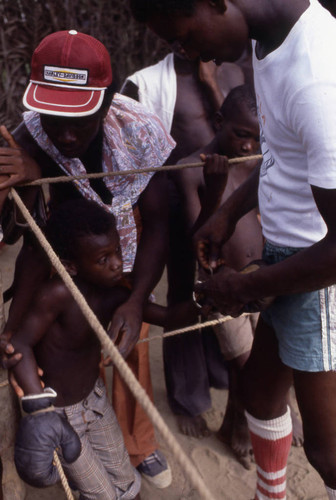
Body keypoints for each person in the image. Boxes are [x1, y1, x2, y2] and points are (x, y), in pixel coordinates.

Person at [129, 0, 336, 498]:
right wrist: (227, 213)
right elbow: (281, 161)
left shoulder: (316, 79)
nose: (185, 51)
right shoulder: (268, 43)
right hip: (285, 255)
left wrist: (245, 286)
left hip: (318, 273)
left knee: (329, 453)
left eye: (181, 35)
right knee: (262, 396)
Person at [0, 30, 174, 488]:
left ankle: (139, 446)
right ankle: (52, 435)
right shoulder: (27, 139)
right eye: (54, 118)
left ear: (106, 101)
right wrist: (30, 180)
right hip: (55, 262)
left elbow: (157, 222)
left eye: (79, 118)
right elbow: (20, 233)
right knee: (43, 346)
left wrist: (136, 300)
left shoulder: (139, 131)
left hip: (116, 253)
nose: (65, 133)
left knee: (127, 343)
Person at [10, 198, 174, 499]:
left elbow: (169, 317)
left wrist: (208, 302)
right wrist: (40, 409)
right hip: (60, 416)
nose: (116, 264)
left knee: (127, 484)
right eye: (103, 259)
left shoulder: (114, 294)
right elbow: (19, 343)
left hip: (96, 403)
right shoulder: (56, 295)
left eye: (117, 252)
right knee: (101, 495)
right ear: (71, 265)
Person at [122, 49, 244, 438]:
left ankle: (221, 368)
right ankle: (188, 395)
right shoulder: (147, 82)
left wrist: (210, 83)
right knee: (183, 291)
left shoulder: (236, 74)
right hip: (178, 197)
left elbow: (240, 126)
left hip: (238, 193)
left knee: (228, 282)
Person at [171, 84, 262, 467]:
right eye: (242, 134)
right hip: (221, 281)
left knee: (266, 357)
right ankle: (242, 425)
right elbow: (199, 239)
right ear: (220, 121)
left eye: (257, 137)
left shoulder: (256, 160)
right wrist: (217, 187)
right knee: (247, 365)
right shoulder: (191, 167)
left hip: (262, 277)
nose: (247, 145)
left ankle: (235, 421)